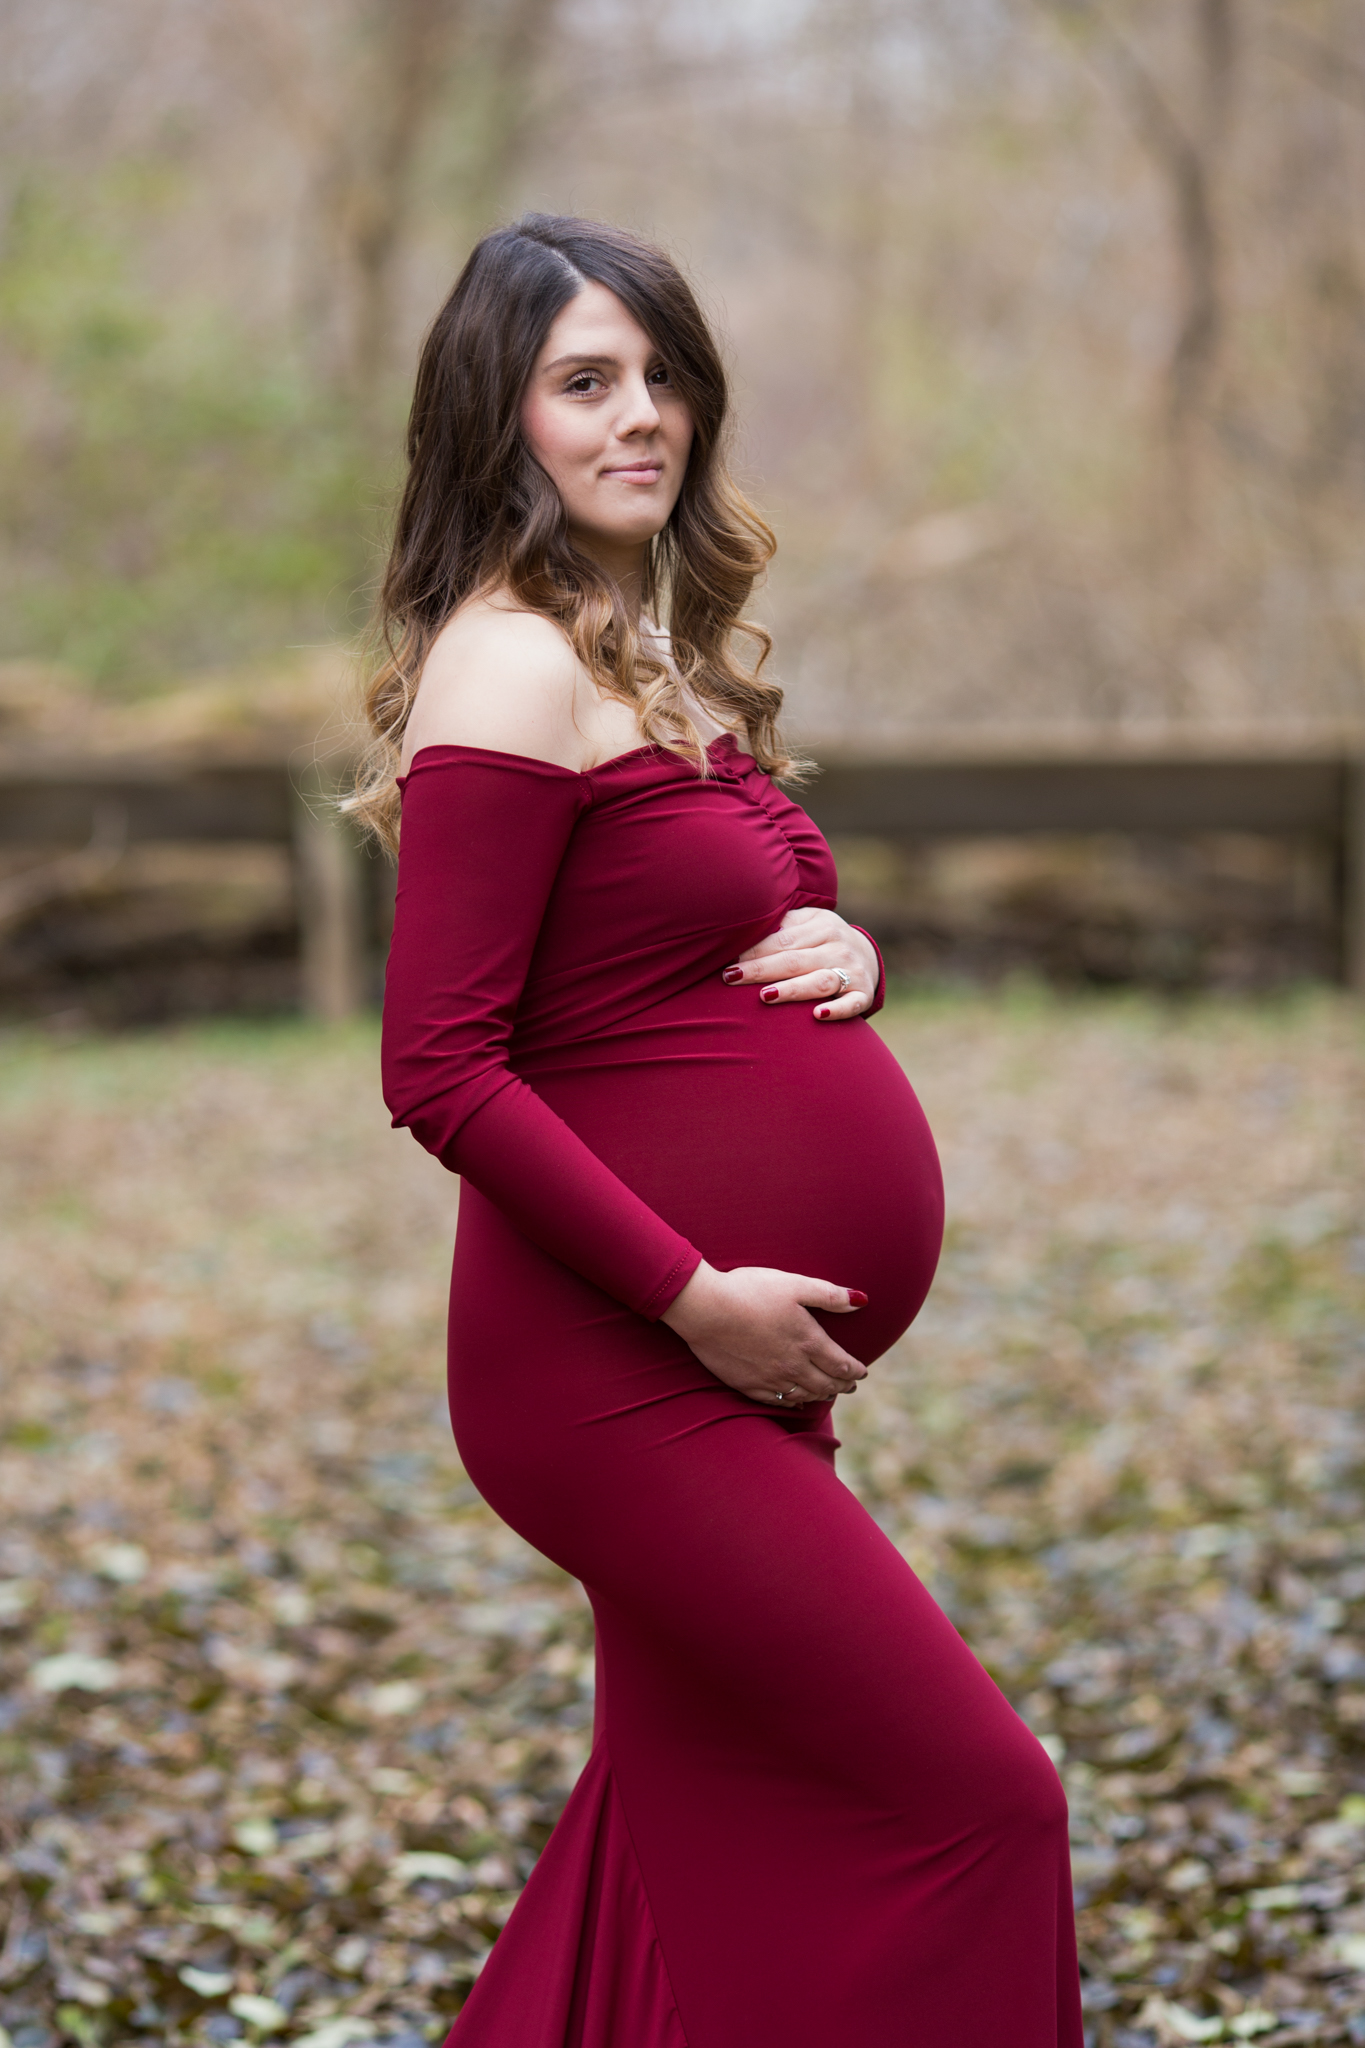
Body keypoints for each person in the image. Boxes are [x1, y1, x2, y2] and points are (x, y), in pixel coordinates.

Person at [354, 214, 1082, 2048]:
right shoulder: (507, 663)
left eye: (663, 373)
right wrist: (691, 1299)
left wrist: (851, 940)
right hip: (619, 1372)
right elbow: (437, 1067)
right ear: (494, 419)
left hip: (725, 1357)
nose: (642, 415)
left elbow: (734, 909)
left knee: (688, 1835)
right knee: (981, 1803)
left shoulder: (644, 647)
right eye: (586, 381)